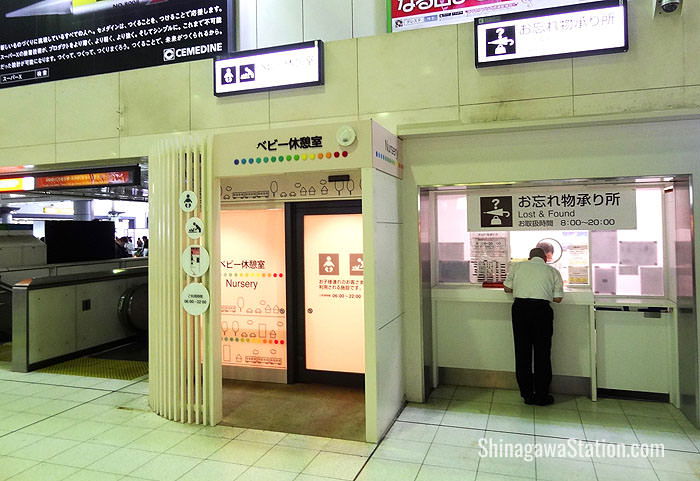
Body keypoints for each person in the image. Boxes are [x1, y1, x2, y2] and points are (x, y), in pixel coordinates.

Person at [503, 247, 564, 406]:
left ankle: (527, 395)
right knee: (542, 353)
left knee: (522, 352)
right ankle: (542, 395)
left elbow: (507, 288)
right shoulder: (552, 271)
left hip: (520, 310)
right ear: (545, 258)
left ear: (529, 258)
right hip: (542, 311)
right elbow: (558, 299)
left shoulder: (517, 267)